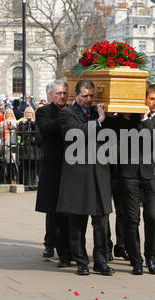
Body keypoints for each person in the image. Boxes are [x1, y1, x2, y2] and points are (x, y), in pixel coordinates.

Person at [56, 79, 113, 276]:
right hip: (78, 177)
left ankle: (101, 261)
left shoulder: (101, 113)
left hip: (99, 175)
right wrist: (99, 121)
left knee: (101, 223)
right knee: (77, 224)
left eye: (91, 96)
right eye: (85, 96)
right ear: (76, 95)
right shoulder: (66, 114)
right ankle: (81, 261)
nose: (89, 99)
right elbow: (75, 134)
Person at [116, 84, 155, 275]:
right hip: (130, 174)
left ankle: (151, 256)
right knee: (131, 219)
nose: (154, 103)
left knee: (153, 217)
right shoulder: (128, 117)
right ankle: (136, 259)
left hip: (152, 174)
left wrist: (145, 118)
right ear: (144, 99)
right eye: (151, 99)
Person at [35, 80, 72, 265]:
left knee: (66, 210)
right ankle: (53, 244)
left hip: (70, 165)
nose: (62, 96)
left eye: (65, 93)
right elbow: (46, 129)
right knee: (53, 208)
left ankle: (65, 246)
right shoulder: (44, 112)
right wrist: (65, 117)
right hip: (53, 166)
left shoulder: (71, 111)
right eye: (58, 93)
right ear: (50, 95)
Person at [17, 106, 40, 188]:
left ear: (33, 114)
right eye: (27, 113)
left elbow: (37, 133)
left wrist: (33, 123)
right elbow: (20, 133)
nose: (28, 114)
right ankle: (26, 184)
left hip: (34, 149)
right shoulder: (21, 123)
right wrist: (24, 124)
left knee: (34, 167)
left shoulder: (36, 122)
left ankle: (34, 184)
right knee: (26, 168)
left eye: (30, 113)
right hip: (25, 148)